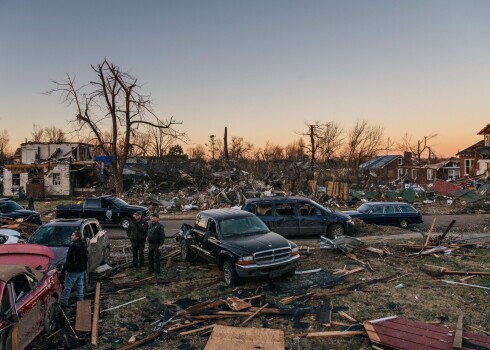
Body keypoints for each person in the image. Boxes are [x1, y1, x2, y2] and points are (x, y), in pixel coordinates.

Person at [60, 231, 88, 307]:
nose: (71, 237)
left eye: (73, 235)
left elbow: (69, 259)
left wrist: (65, 269)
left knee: (67, 286)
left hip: (73, 270)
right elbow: (86, 257)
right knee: (80, 285)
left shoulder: (73, 246)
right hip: (81, 269)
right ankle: (80, 300)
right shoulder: (83, 244)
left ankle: (64, 302)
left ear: (77, 237)